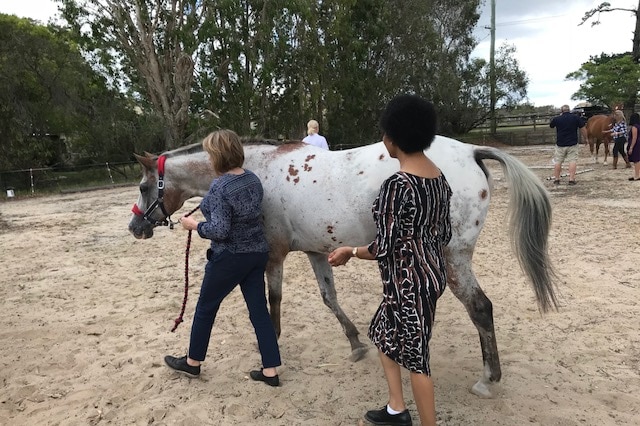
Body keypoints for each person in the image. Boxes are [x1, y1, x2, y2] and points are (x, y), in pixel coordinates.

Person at [328, 95, 452, 426]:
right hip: (430, 276)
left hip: (408, 285)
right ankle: (396, 408)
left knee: (417, 360)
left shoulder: (397, 185)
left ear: (392, 139)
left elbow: (384, 246)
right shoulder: (439, 179)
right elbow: (444, 234)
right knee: (382, 330)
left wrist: (350, 252)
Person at [164, 129, 282, 387]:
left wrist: (194, 225)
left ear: (217, 156)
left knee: (206, 307)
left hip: (230, 257)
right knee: (259, 312)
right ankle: (270, 369)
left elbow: (220, 230)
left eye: (209, 154)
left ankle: (193, 362)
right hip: (257, 253)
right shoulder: (252, 178)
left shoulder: (219, 187)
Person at [550, 104, 587, 185]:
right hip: (572, 143)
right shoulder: (575, 118)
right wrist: (585, 138)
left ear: (561, 111)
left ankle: (556, 179)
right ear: (569, 110)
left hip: (560, 143)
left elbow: (551, 125)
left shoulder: (557, 119)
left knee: (558, 161)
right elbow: (583, 128)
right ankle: (571, 179)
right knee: (572, 161)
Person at [627, 112, 640, 180]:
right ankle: (637, 174)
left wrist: (631, 147)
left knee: (636, 160)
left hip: (636, 144)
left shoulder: (634, 127)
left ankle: (637, 175)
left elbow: (634, 138)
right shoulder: (639, 126)